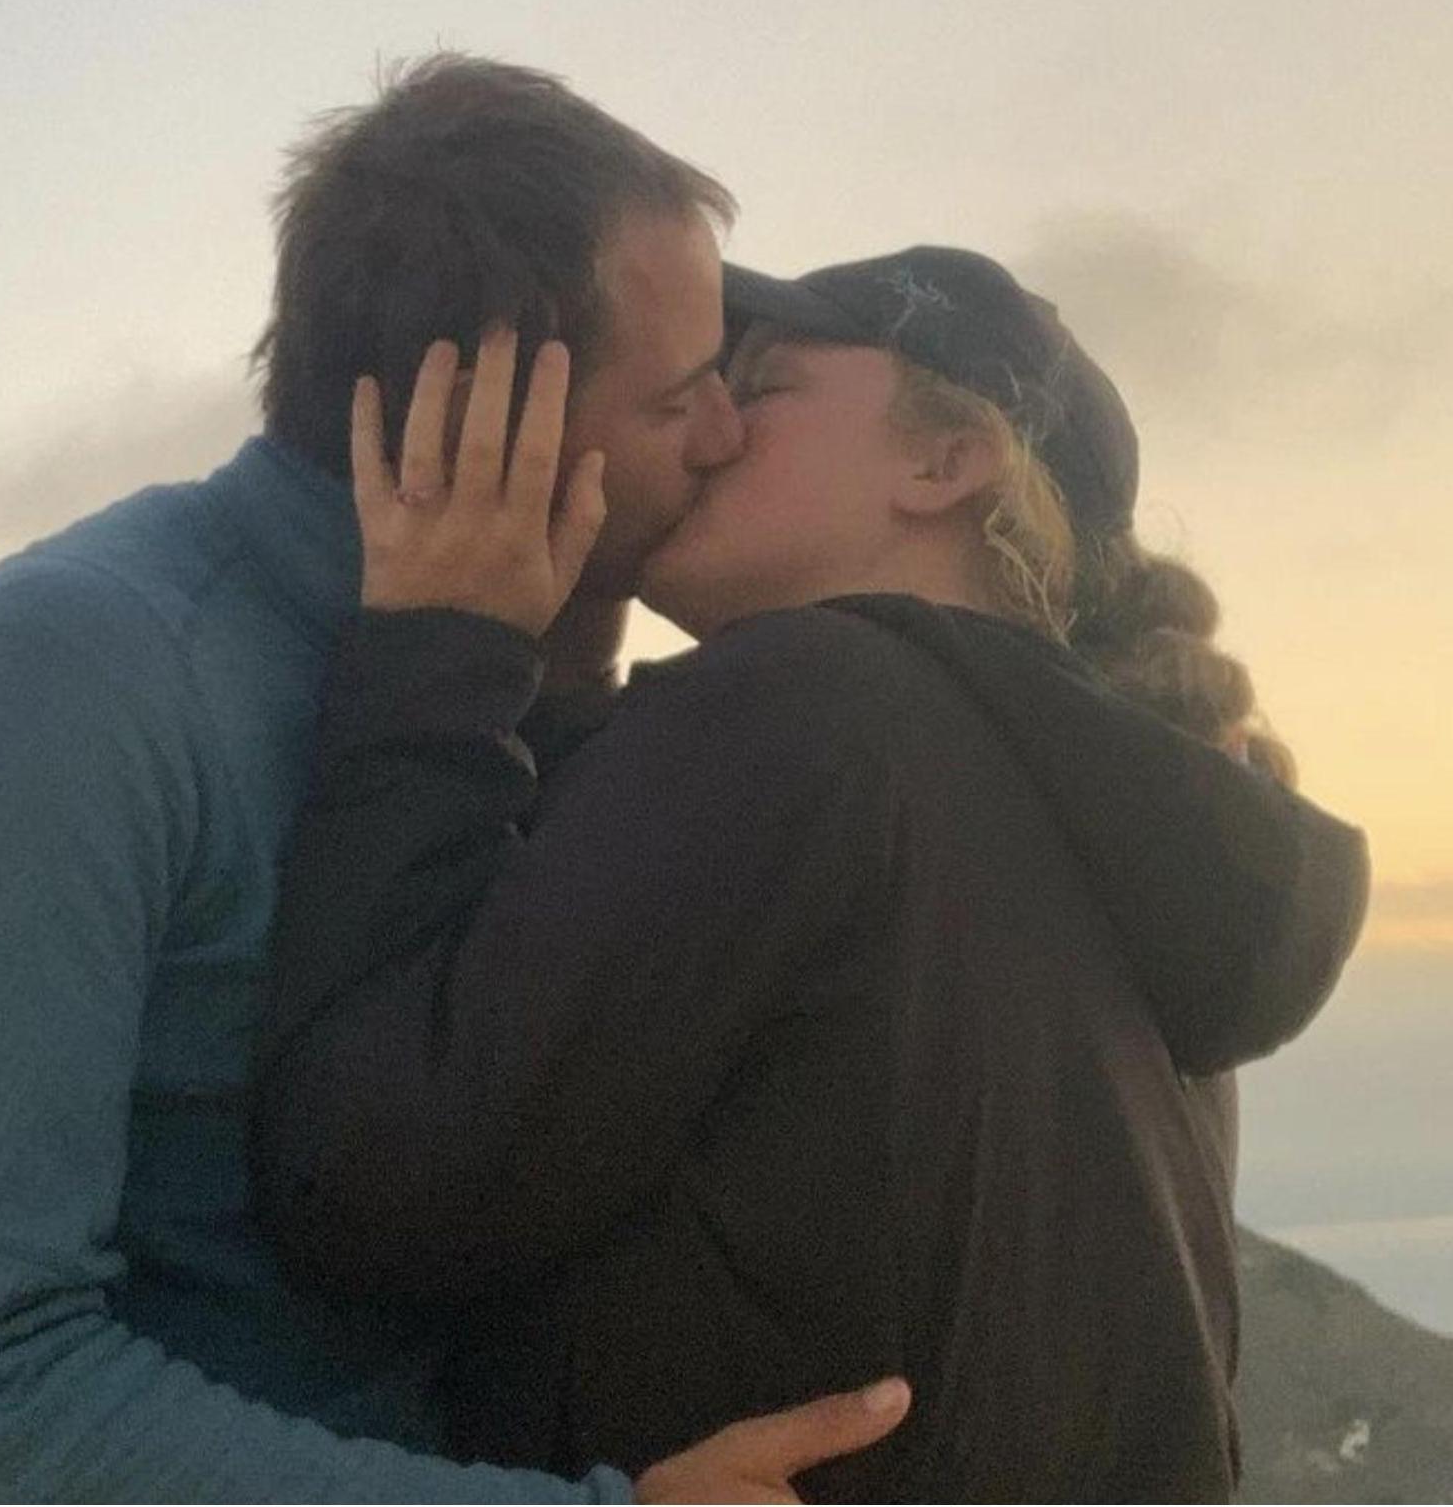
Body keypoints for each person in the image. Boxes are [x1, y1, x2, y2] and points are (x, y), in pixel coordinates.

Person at [0, 55, 912, 1502]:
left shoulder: (507, 668)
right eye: (680, 401)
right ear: (476, 404)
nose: (727, 441)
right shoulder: (75, 673)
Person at [250, 248, 1370, 1500]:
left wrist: (432, 657)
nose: (707, 429)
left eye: (764, 386)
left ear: (941, 465)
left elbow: (366, 1177)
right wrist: (562, 687)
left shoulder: (807, 706)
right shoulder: (1121, 843)